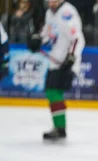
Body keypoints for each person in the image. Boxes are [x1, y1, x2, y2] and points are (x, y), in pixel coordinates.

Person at [27, 0, 85, 140]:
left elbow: (77, 38)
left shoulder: (67, 13)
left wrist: (71, 57)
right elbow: (48, 32)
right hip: (56, 60)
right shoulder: (50, 13)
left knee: (54, 92)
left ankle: (60, 128)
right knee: (52, 92)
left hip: (66, 60)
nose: (50, 2)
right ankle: (59, 128)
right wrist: (38, 39)